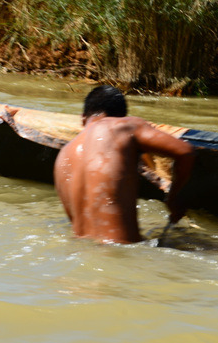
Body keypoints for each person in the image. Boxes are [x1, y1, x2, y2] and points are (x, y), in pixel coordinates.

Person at [54, 85, 196, 243]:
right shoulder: (123, 126)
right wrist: (174, 198)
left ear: (82, 118)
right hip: (123, 253)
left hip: (81, 253)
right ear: (122, 116)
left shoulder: (63, 155)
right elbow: (185, 152)